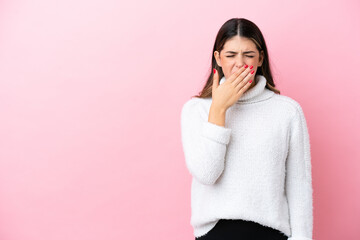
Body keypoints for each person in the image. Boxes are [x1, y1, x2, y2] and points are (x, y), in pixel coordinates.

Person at [180, 18, 314, 240]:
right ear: (218, 58)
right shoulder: (196, 110)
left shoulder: (287, 111)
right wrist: (219, 109)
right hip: (214, 234)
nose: (240, 64)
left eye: (249, 55)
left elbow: (299, 185)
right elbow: (207, 174)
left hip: (271, 233)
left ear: (261, 58)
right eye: (231, 55)